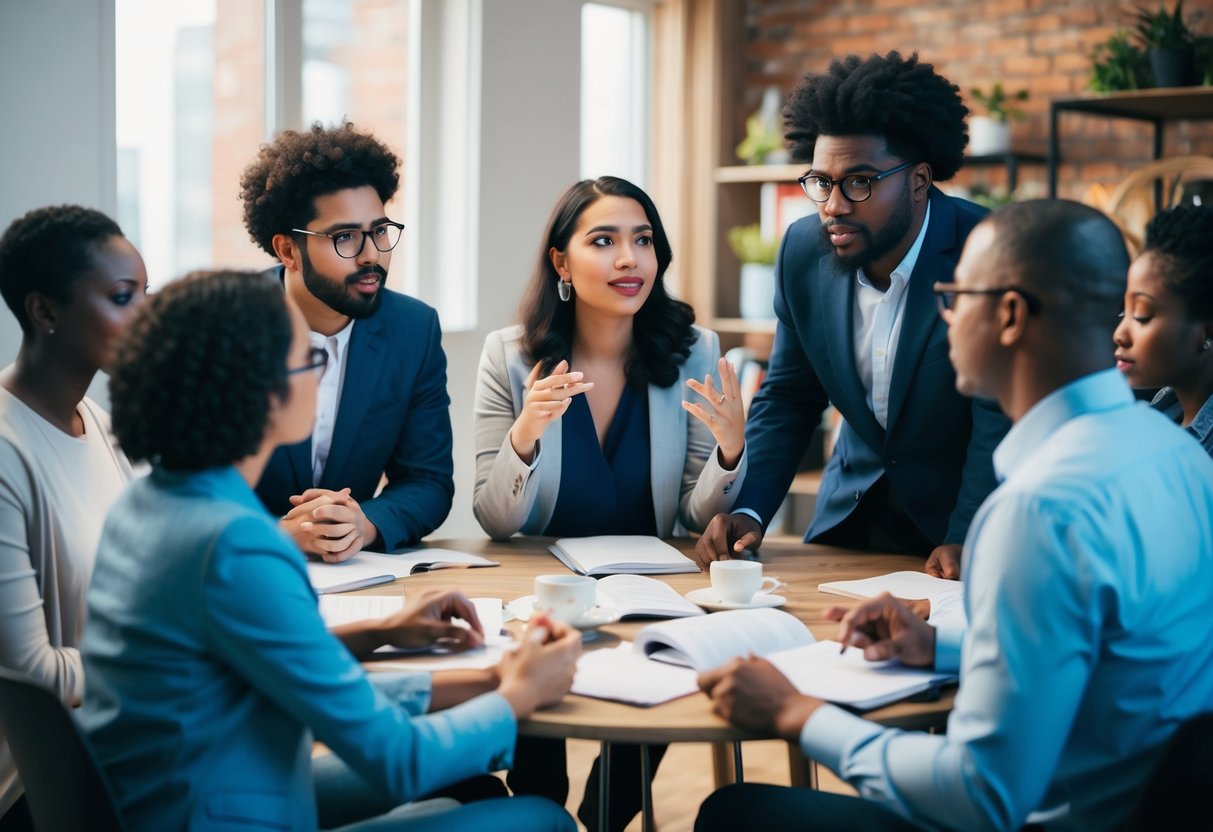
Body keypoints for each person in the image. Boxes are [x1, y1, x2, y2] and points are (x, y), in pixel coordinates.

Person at [695, 200, 1213, 832]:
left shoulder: (1037, 511)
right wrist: (940, 646)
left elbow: (983, 795)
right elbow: (1105, 651)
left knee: (735, 813)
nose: (944, 313)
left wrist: (796, 714)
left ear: (1010, 316)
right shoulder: (1180, 457)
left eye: (955, 293)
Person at [79, 270, 582, 832]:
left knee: (477, 791)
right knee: (541, 818)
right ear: (266, 392)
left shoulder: (150, 502)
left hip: (178, 795)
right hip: (224, 810)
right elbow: (399, 761)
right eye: (310, 361)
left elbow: (280, 669)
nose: (322, 377)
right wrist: (517, 696)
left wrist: (394, 635)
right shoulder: (237, 546)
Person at [472, 175, 747, 831]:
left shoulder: (693, 351)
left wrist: (730, 454)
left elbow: (689, 512)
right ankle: (540, 814)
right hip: (538, 592)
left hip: (649, 587)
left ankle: (602, 819)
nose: (629, 260)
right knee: (539, 757)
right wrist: (526, 434)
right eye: (604, 241)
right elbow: (494, 520)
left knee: (665, 680)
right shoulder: (510, 357)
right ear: (561, 263)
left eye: (642, 240)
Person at [693, 51, 1010, 580]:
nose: (833, 205)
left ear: (919, 179)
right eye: (821, 181)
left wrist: (966, 533)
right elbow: (790, 397)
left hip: (958, 535)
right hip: (849, 519)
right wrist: (748, 510)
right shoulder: (802, 250)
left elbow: (996, 414)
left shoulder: (989, 251)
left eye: (859, 182)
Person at [240, 122, 454, 560]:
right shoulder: (226, 325)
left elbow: (428, 481)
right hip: (240, 571)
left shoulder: (414, 329)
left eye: (379, 231)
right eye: (345, 238)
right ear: (287, 251)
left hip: (358, 576)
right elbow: (187, 486)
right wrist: (278, 535)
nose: (372, 255)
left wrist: (364, 523)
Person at [0, 205, 146, 829]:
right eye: (122, 298)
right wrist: (183, 656)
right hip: (46, 791)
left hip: (131, 741)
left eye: (147, 294)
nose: (147, 318)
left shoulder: (97, 422)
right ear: (45, 311)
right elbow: (32, 675)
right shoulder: (6, 450)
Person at [1113, 203, 1213, 456]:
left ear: (1206, 331)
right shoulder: (1159, 415)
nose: (1120, 335)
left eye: (1142, 316)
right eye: (1124, 312)